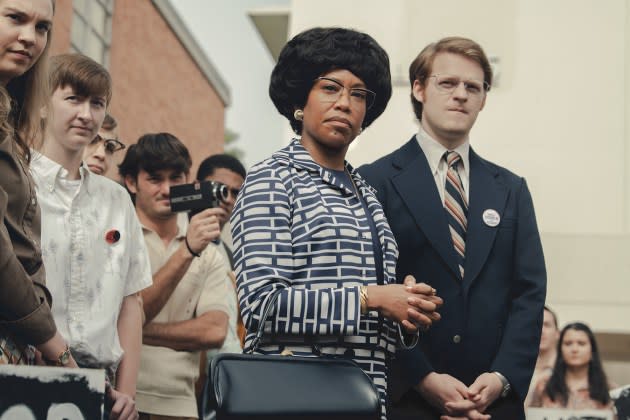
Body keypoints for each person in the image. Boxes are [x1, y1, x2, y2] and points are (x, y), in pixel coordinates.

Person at [230, 27, 442, 420]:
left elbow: (373, 317)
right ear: (300, 100)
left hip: (364, 399)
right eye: (331, 88)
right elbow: (263, 307)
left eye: (358, 94)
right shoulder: (272, 179)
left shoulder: (367, 192)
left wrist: (406, 310)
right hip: (292, 398)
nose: (345, 103)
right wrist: (373, 297)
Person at [359, 36, 547, 419]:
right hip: (410, 401)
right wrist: (423, 378)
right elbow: (371, 293)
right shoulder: (372, 181)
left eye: (472, 87)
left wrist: (501, 378)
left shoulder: (511, 189)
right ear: (419, 88)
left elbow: (529, 294)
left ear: (483, 99)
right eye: (448, 83)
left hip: (493, 403)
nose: (460, 94)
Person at [31, 53, 153, 420]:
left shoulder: (116, 199)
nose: (87, 114)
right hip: (29, 372)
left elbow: (131, 303)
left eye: (97, 103)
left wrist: (127, 395)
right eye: (73, 99)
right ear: (41, 106)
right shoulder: (19, 186)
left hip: (104, 385)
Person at [119, 133, 231, 420]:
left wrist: (136, 331)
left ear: (188, 181)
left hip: (181, 406)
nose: (167, 189)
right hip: (120, 397)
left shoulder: (210, 251)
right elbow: (127, 313)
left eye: (176, 178)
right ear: (132, 182)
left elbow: (214, 331)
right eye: (155, 179)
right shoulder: (116, 236)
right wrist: (187, 251)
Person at [0, 0, 78, 368]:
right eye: (15, 18)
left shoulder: (10, 119)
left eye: (42, 27)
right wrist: (56, 348)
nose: (30, 38)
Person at [528, 322, 613, 411]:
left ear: (592, 351)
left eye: (581, 343)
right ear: (560, 350)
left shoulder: (609, 389)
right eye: (568, 343)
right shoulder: (543, 386)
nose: (574, 349)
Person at [195, 153, 246, 269]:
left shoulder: (233, 261)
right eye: (219, 188)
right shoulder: (174, 240)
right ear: (197, 187)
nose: (227, 199)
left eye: (235, 193)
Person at [525, 305, 560, 406]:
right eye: (537, 324)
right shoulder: (516, 368)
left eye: (547, 325)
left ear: (557, 333)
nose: (541, 330)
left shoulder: (567, 369)